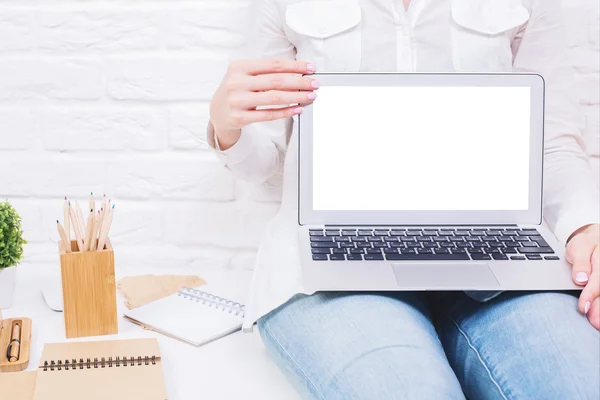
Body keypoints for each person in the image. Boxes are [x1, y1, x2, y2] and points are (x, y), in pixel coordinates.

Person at [208, 0, 600, 398]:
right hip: (333, 268)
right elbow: (262, 160)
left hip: (492, 254)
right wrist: (226, 123)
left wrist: (584, 229)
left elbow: (551, 143)